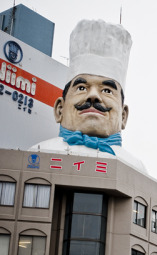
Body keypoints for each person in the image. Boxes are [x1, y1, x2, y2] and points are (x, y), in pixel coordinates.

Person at [30, 19, 146, 173]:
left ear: (123, 116)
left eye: (107, 90)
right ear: (60, 109)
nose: (93, 96)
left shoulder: (135, 168)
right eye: (82, 88)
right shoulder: (38, 154)